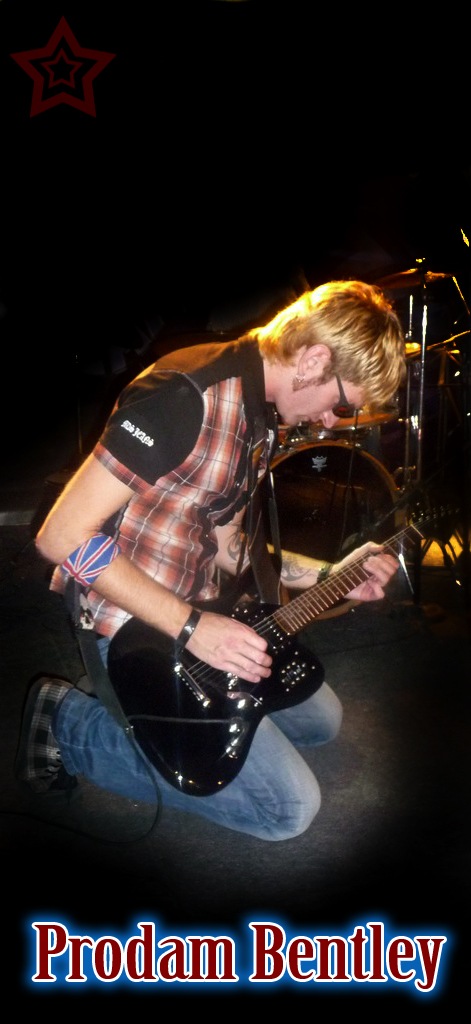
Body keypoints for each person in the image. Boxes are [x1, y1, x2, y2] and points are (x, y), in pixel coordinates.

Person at [15, 280, 406, 842]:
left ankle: (155, 717)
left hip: (198, 610)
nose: (329, 421)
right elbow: (59, 537)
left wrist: (331, 576)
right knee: (285, 812)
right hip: (134, 625)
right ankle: (70, 723)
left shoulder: (258, 407)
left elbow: (227, 543)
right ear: (314, 360)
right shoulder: (183, 397)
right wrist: (193, 628)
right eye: (341, 404)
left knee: (322, 723)